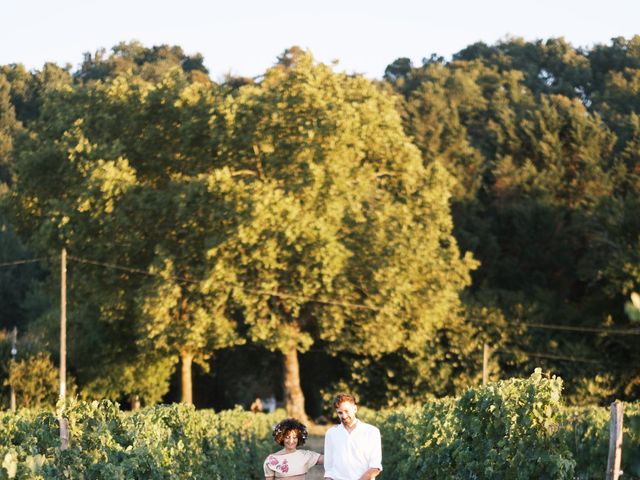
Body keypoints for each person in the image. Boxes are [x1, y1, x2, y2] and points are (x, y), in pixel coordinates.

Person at [323, 393, 382, 480]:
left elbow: (375, 467)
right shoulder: (331, 433)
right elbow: (329, 468)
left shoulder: (371, 432)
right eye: (340, 413)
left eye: (347, 411)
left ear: (355, 409)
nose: (344, 416)